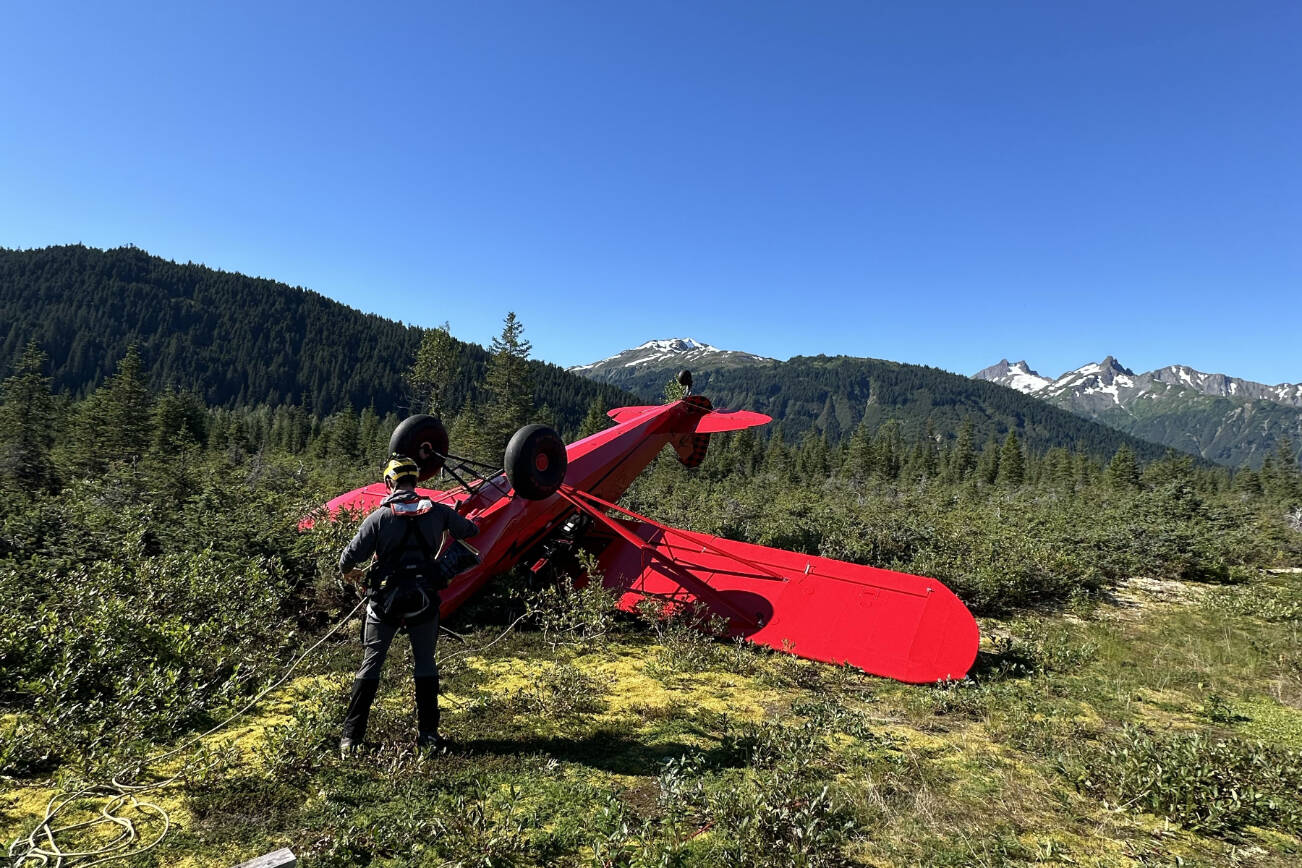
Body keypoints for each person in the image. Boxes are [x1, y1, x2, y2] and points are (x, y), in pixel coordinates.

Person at [338, 454, 479, 755]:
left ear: (389, 482)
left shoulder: (378, 518)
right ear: (416, 481)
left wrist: (351, 572)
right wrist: (451, 522)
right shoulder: (438, 512)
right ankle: (428, 736)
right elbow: (471, 531)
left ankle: (351, 739)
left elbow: (347, 559)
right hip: (424, 598)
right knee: (425, 662)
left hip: (384, 601)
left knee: (371, 663)